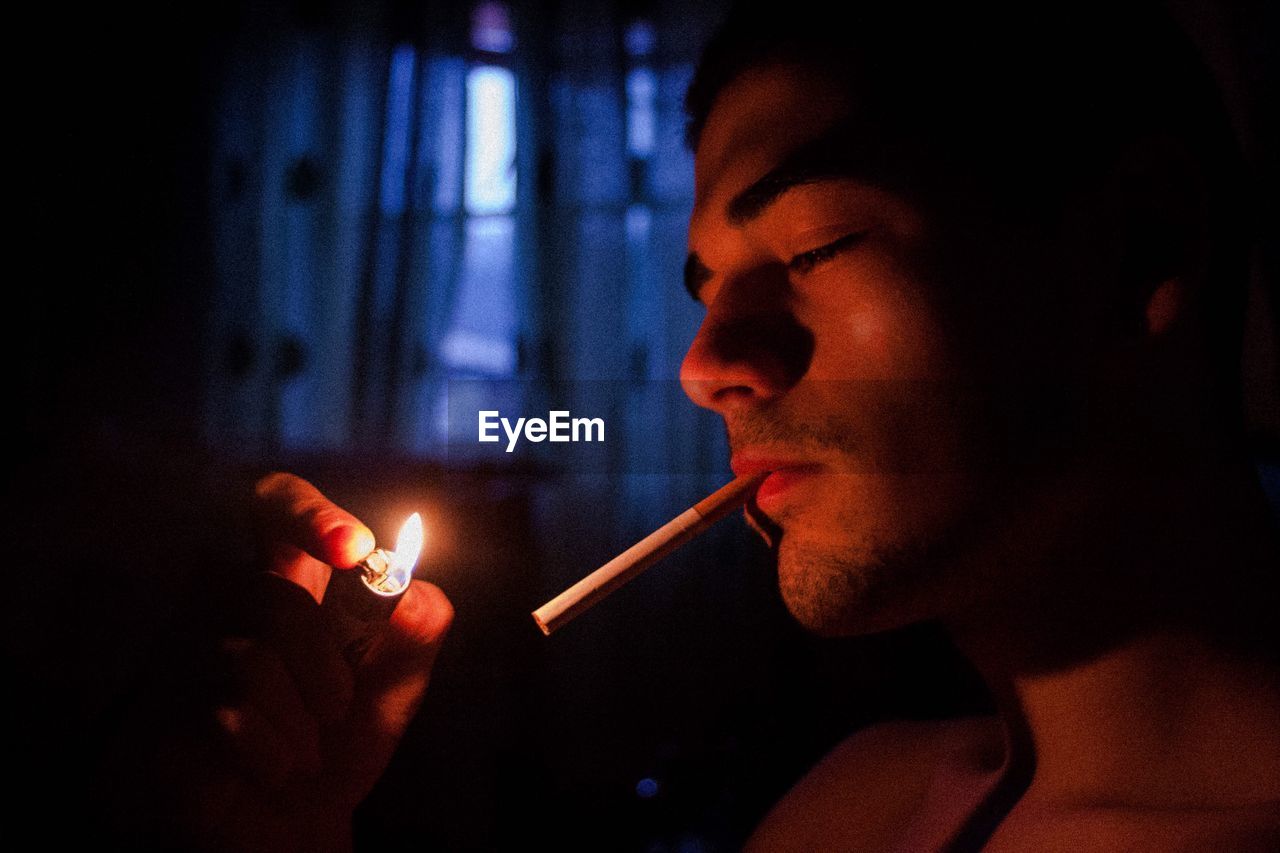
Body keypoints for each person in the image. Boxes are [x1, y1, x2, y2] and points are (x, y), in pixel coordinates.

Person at [105, 1, 1279, 850]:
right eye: (704, 287)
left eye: (814, 247)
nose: (704, 366)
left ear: (1139, 250)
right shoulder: (848, 807)